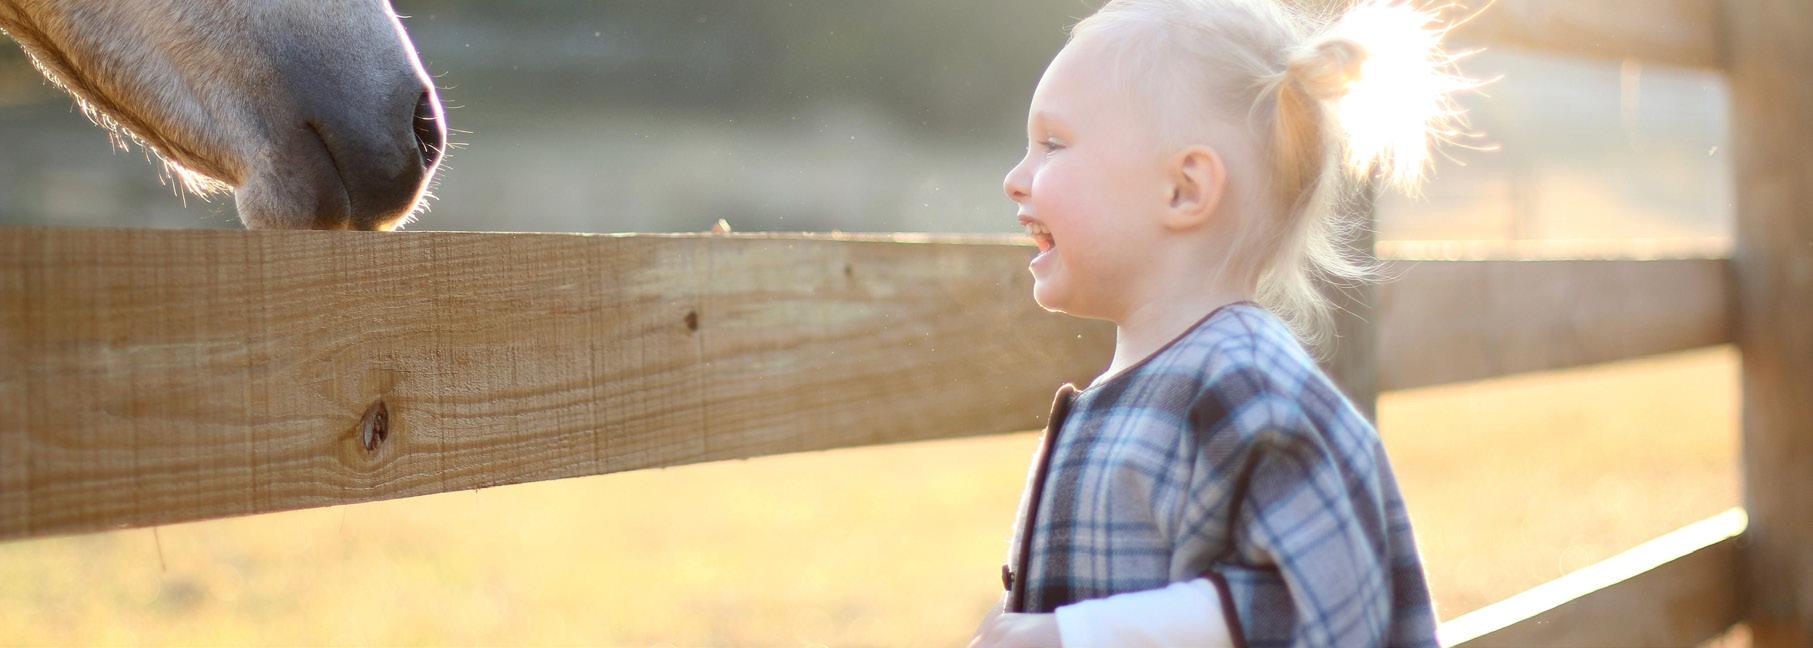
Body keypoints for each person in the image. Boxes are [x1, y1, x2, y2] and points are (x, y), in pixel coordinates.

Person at [968, 0, 1480, 645]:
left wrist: (1069, 636)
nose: (1015, 179)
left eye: (1053, 145)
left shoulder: (1247, 384)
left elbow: (1315, 599)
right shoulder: (1158, 384)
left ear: (1184, 188)